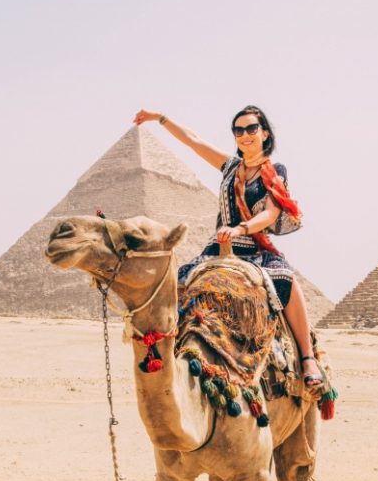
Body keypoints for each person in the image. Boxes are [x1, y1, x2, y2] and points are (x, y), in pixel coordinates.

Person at [133, 105, 324, 388]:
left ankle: (307, 357)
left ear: (265, 134)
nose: (245, 135)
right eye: (238, 130)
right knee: (177, 285)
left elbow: (270, 214)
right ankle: (163, 352)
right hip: (217, 248)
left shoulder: (274, 171)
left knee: (287, 281)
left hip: (253, 248)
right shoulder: (230, 166)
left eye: (251, 129)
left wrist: (240, 229)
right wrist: (160, 119)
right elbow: (193, 140)